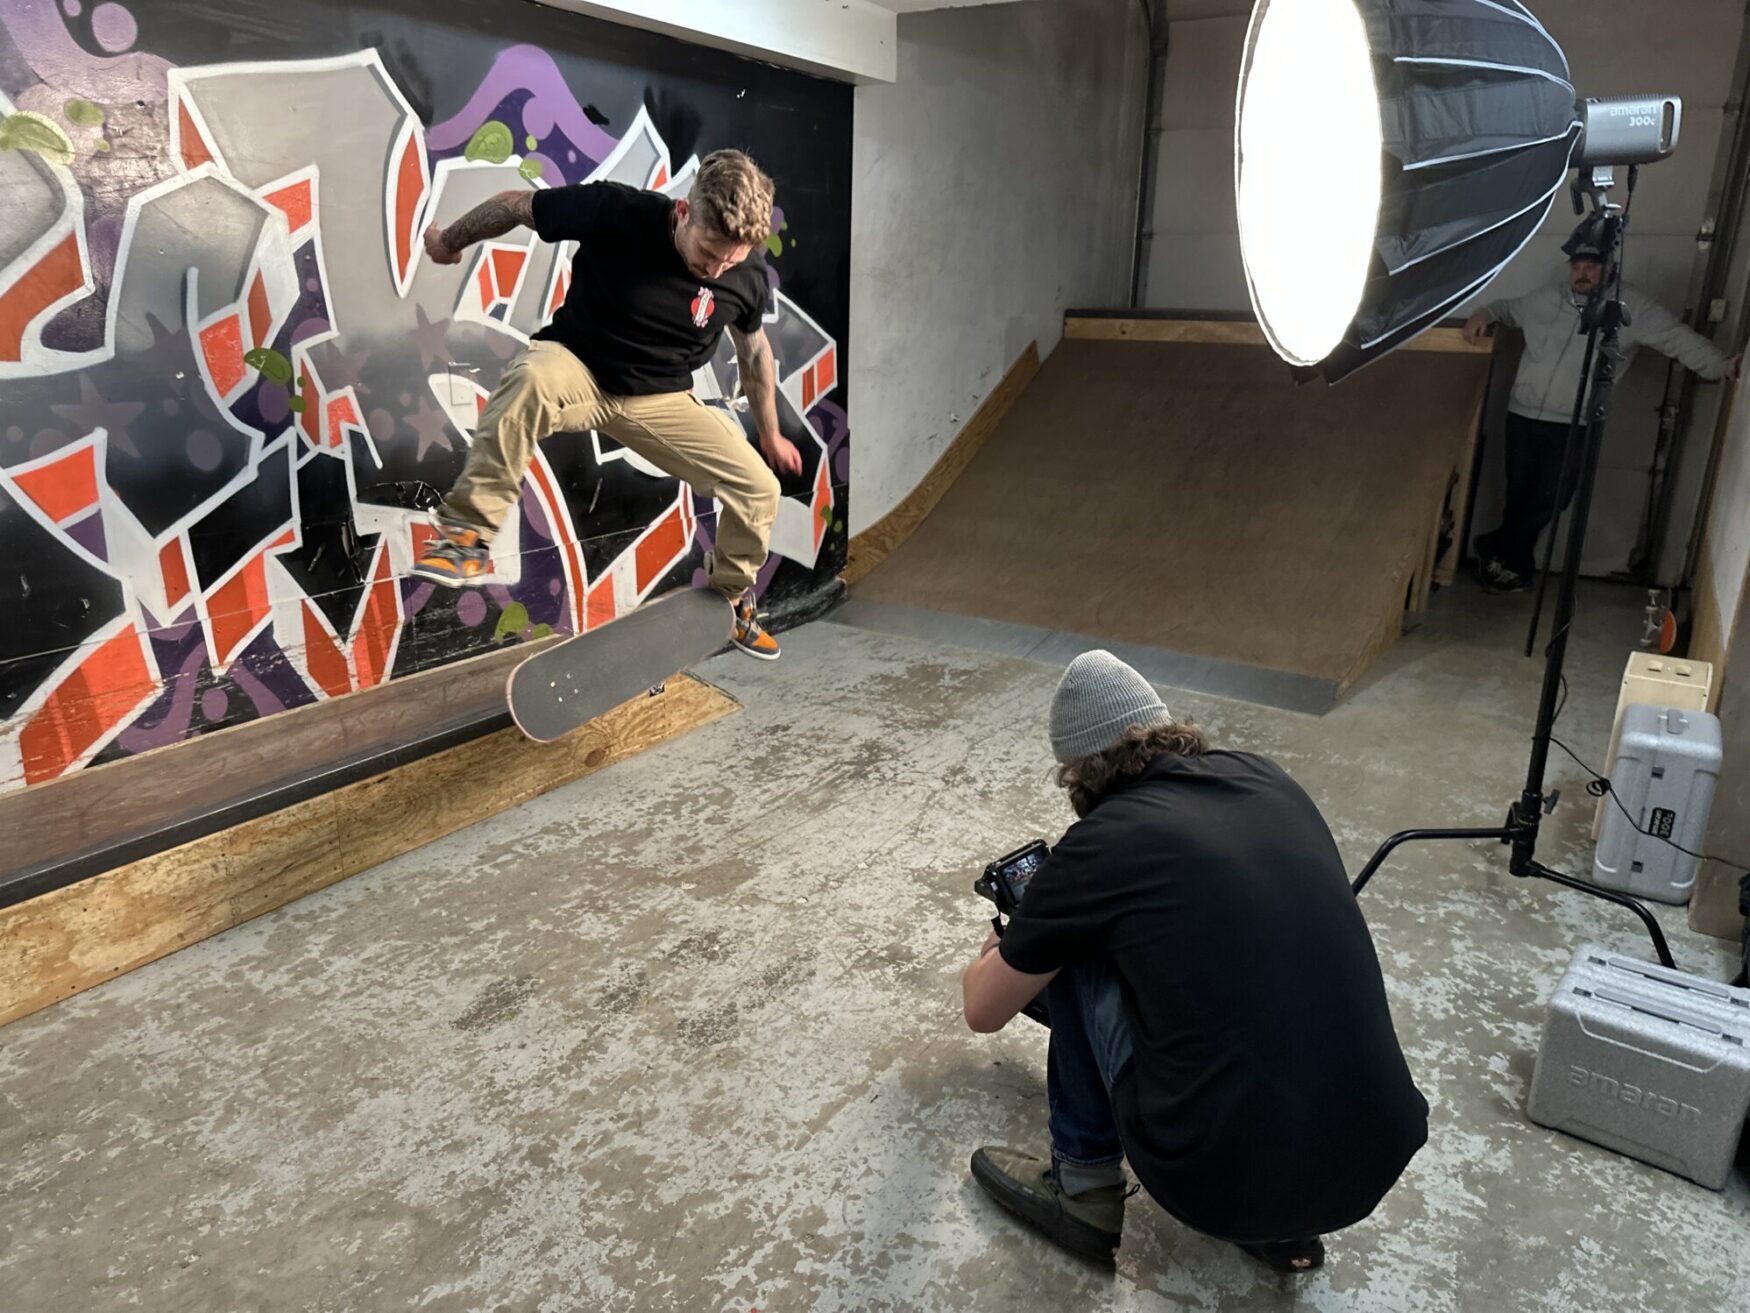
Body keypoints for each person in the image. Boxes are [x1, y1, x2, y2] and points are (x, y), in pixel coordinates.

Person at [960, 651, 1428, 1271]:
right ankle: (1285, 1230)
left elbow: (983, 1011)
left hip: (1214, 1185)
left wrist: (1007, 949)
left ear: (1080, 774)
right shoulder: (1265, 779)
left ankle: (1082, 1190)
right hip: (1371, 1161)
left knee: (1077, 950)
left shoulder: (1100, 846)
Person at [411, 149, 802, 661]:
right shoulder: (614, 211)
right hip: (580, 369)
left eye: (730, 259)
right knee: (528, 379)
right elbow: (513, 206)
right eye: (709, 251)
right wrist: (447, 242)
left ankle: (729, 602)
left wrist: (770, 432)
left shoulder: (743, 274)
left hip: (659, 400)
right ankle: (466, 535)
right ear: (684, 213)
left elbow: (754, 355)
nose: (716, 269)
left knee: (759, 489)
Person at [1462, 229, 1739, 594]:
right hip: (1523, 415)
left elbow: (1678, 339)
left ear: (1609, 267)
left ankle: (1497, 549)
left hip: (1574, 423)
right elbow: (1507, 309)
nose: (1582, 273)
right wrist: (1482, 313)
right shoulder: (1547, 298)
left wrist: (1722, 366)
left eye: (1591, 266)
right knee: (1520, 492)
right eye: (1577, 265)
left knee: (1553, 498)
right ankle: (1514, 566)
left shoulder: (1631, 308)